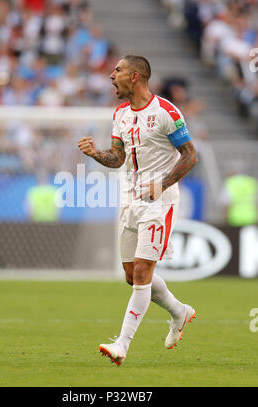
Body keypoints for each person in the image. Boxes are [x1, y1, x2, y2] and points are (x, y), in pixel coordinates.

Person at [78, 55, 198, 366]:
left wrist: (162, 184)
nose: (110, 75)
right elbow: (118, 159)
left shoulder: (166, 113)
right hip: (130, 199)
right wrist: (95, 154)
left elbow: (189, 156)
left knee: (144, 272)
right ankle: (179, 312)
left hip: (160, 201)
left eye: (117, 70)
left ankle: (122, 344)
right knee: (132, 276)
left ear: (135, 76)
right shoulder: (119, 113)